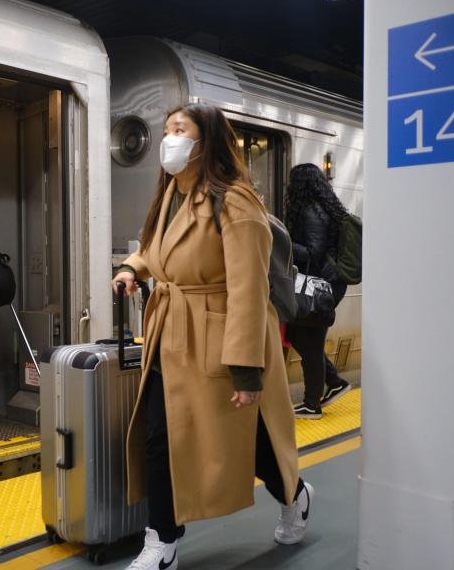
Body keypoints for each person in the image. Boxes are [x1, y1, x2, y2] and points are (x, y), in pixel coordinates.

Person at [112, 104, 312, 570]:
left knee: (253, 442)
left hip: (219, 339)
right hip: (171, 333)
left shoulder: (235, 200)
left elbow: (248, 286)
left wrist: (246, 369)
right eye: (167, 131)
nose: (169, 139)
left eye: (180, 130)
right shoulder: (169, 195)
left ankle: (295, 494)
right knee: (159, 436)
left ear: (207, 141)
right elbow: (154, 247)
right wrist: (130, 268)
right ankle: (162, 541)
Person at [284, 163, 352, 419]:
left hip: (321, 288)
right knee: (299, 335)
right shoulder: (321, 210)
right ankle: (334, 381)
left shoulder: (313, 212)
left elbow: (313, 253)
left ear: (301, 184)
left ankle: (312, 404)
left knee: (309, 343)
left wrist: (281, 239)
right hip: (322, 285)